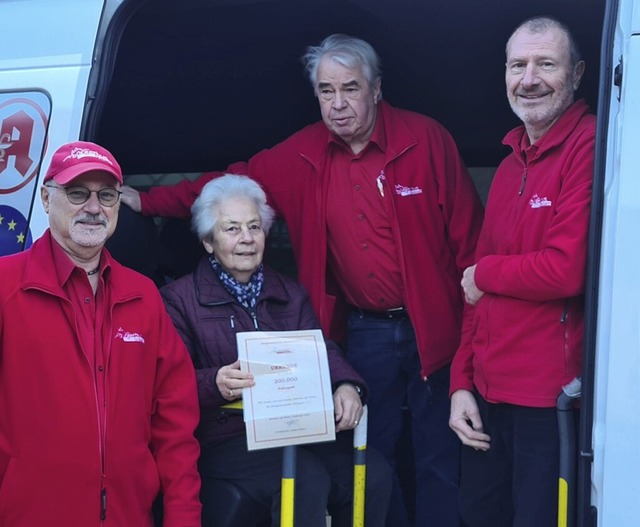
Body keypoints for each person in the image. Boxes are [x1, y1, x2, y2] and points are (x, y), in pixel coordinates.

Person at [123, 34, 484, 526]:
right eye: (325, 91)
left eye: (350, 88)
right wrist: (144, 202)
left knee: (438, 460)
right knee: (373, 453)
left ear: (376, 89)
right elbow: (228, 187)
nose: (337, 104)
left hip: (435, 329)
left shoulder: (427, 141)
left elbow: (472, 253)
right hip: (366, 330)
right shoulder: (302, 153)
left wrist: (472, 342)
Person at [160, 174, 392, 527]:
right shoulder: (179, 299)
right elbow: (167, 385)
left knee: (373, 472)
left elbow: (319, 349)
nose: (247, 239)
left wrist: (346, 385)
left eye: (255, 227)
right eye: (232, 229)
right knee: (305, 479)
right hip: (226, 437)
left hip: (295, 428)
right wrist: (215, 382)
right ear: (209, 241)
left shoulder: (288, 291)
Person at [0, 141, 202, 526]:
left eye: (106, 195)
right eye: (77, 193)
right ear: (46, 198)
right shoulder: (6, 287)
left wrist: (182, 517)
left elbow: (175, 424)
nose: (93, 207)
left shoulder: (142, 296)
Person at [448, 16, 595, 527]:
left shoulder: (591, 147)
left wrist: (485, 272)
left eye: (546, 64)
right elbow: (473, 293)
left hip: (548, 402)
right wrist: (459, 383)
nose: (528, 78)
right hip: (487, 399)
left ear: (576, 74)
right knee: (478, 516)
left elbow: (564, 271)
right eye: (518, 65)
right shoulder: (513, 161)